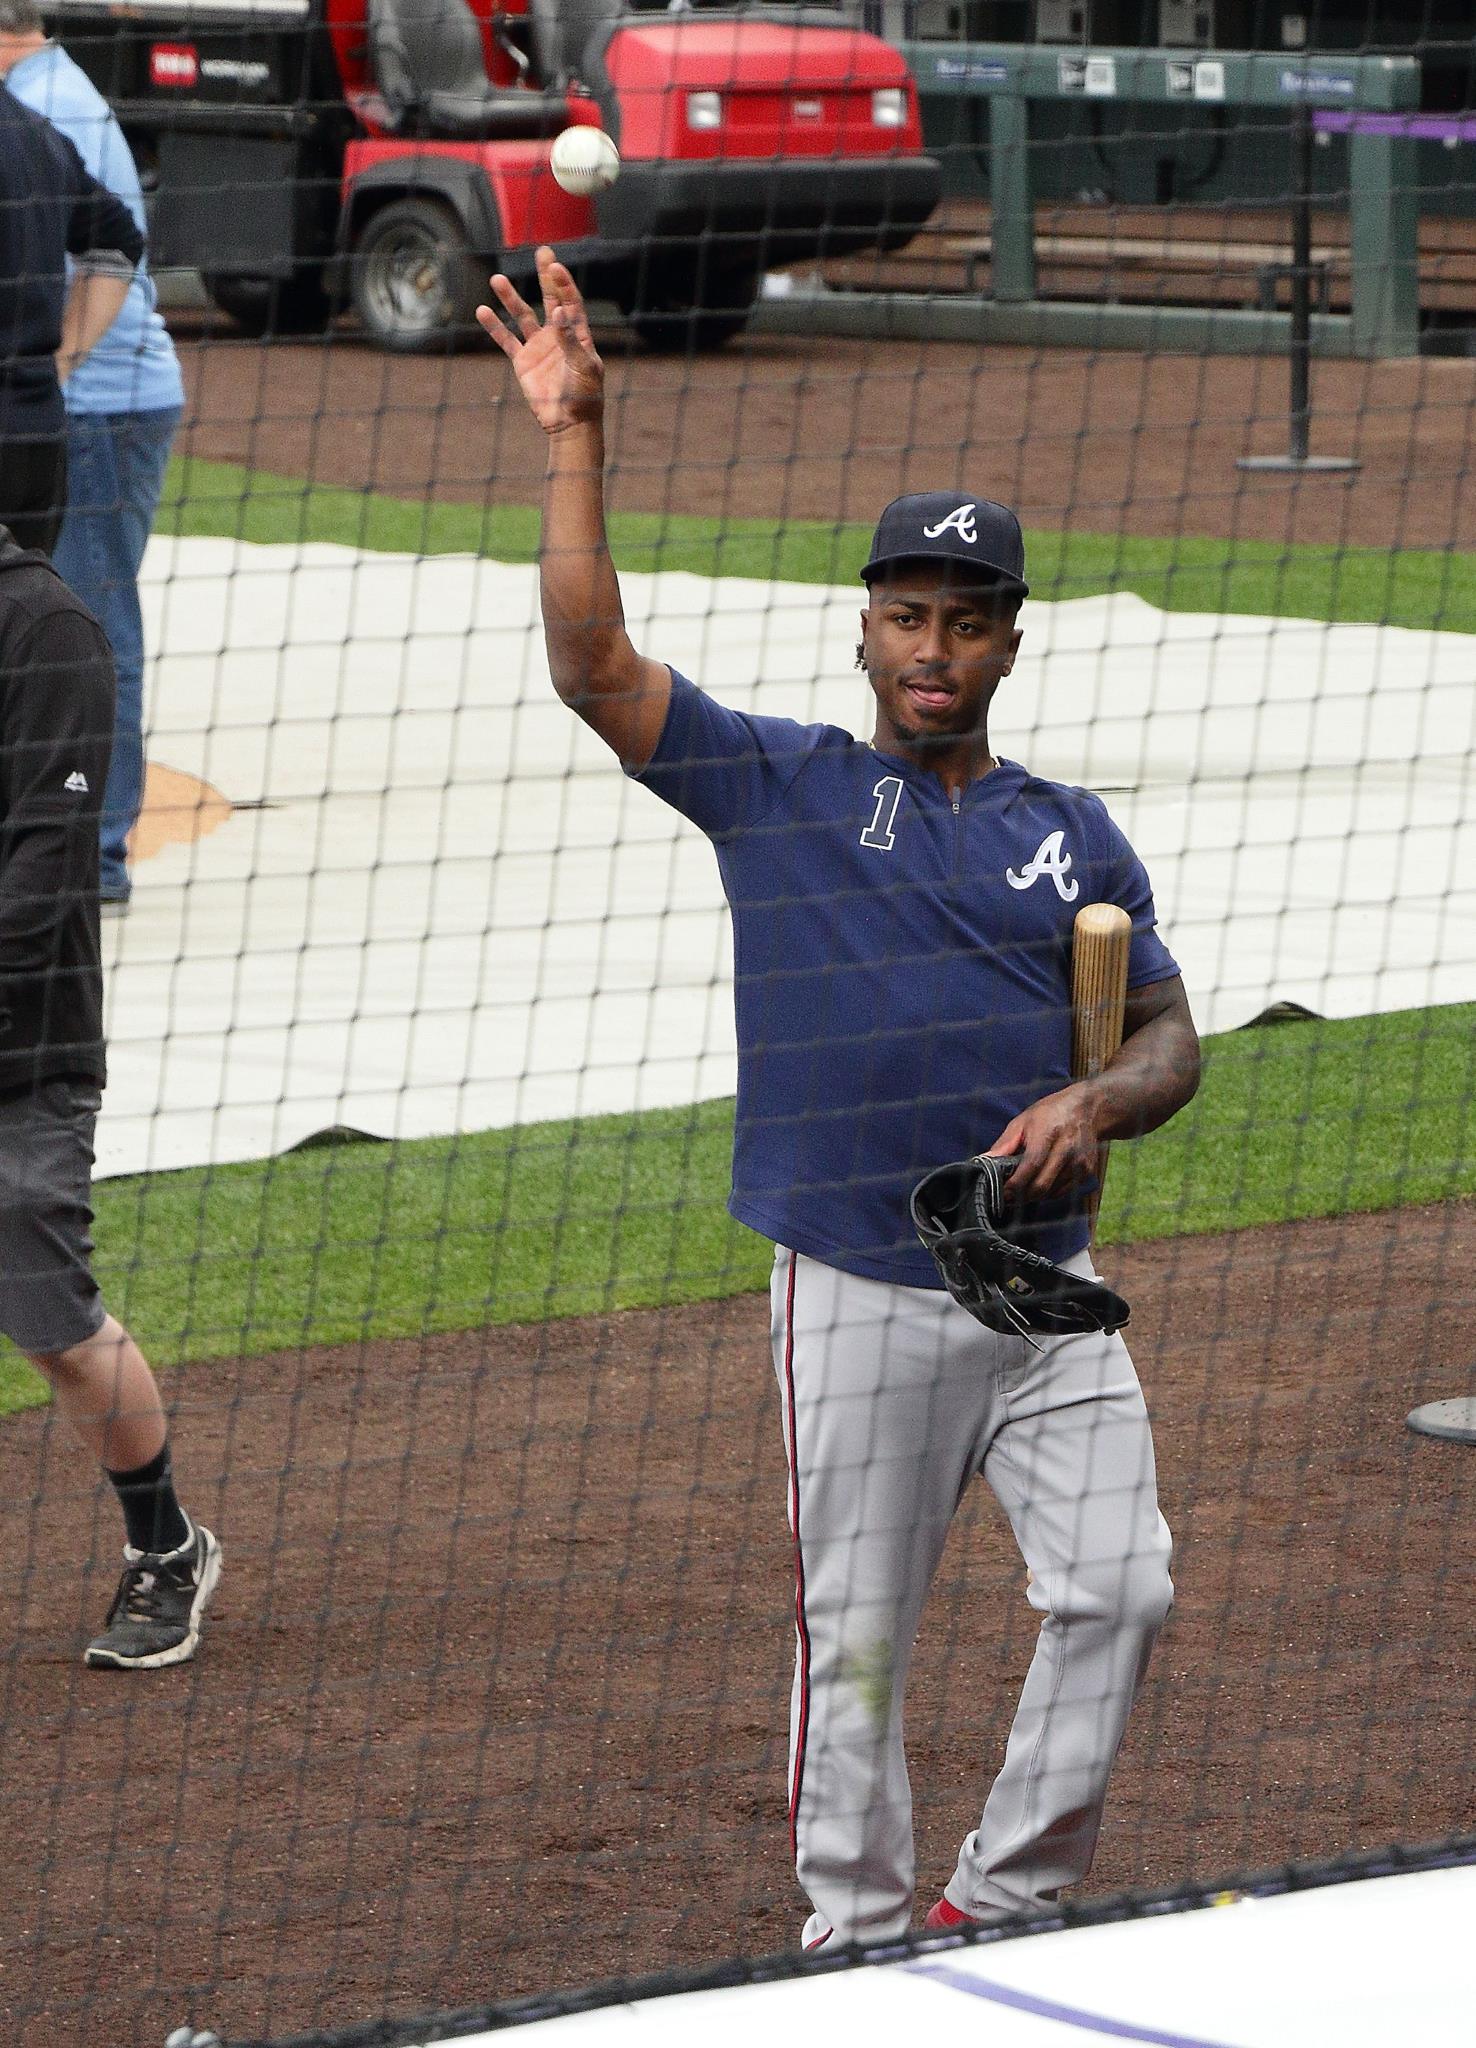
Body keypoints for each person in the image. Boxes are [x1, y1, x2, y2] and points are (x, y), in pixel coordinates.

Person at [480, 248, 1200, 1947]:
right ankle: (853, 1944)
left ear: (1010, 641)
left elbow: (1168, 1036)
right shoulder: (778, 784)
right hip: (858, 1284)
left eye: (963, 619)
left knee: (1124, 1586)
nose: (930, 647)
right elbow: (595, 663)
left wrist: (1103, 1103)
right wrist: (577, 436)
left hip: (1041, 1296)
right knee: (857, 1640)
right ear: (864, 627)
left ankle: (1001, 1899)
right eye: (904, 615)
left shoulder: (1071, 832)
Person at [0, 524, 220, 1667]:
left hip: (22, 1047)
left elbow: (45, 868)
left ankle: (165, 1544)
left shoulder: (47, 629)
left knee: (56, 1329)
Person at [2, 0, 186, 909]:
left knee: (84, 630)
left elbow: (113, 247)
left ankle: (99, 853)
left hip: (100, 410)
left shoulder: (48, 109)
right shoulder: (36, 98)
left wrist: (61, 359)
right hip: (70, 409)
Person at [0, 61, 142, 555]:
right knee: (27, 624)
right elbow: (120, 243)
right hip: (36, 439)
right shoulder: (37, 135)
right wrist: (58, 361)